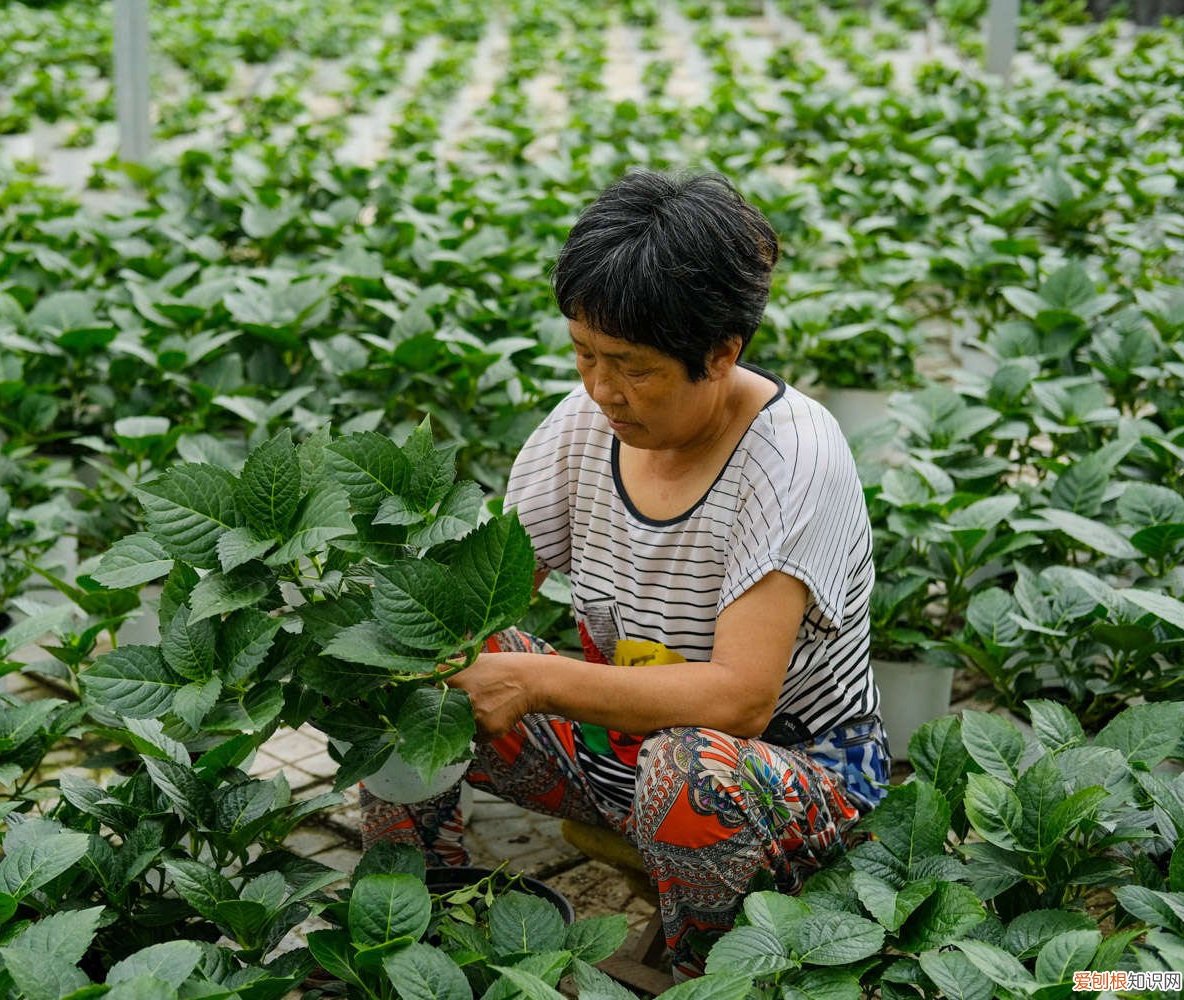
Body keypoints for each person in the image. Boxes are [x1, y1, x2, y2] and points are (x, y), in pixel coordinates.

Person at [360, 170, 889, 979]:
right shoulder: (584, 426)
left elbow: (738, 700)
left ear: (720, 355)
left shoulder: (792, 460)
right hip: (614, 757)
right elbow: (483, 591)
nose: (602, 389)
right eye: (583, 354)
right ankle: (402, 933)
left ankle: (713, 980)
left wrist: (533, 681)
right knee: (410, 664)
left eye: (633, 367)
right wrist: (418, 640)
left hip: (779, 778)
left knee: (688, 776)